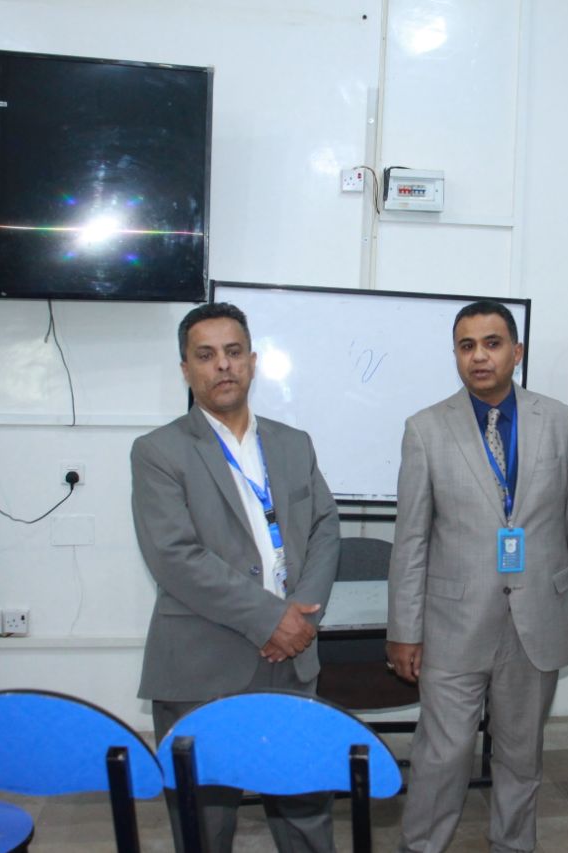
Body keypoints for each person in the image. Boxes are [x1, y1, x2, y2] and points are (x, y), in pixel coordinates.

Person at [386, 300, 568, 853]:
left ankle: (513, 845)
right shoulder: (425, 429)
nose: (479, 356)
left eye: (492, 343)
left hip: (538, 618)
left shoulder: (559, 421)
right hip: (453, 625)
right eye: (467, 346)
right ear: (456, 356)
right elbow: (411, 541)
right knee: (442, 756)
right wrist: (404, 630)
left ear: (517, 351)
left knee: (520, 756)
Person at [131, 302, 341, 852]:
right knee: (205, 824)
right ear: (186, 370)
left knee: (306, 814)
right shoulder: (157, 451)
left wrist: (302, 615)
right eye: (205, 355)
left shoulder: (294, 443)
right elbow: (174, 556)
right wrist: (273, 619)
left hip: (292, 660)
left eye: (232, 352)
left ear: (252, 361)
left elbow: (325, 528)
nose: (222, 365)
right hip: (202, 666)